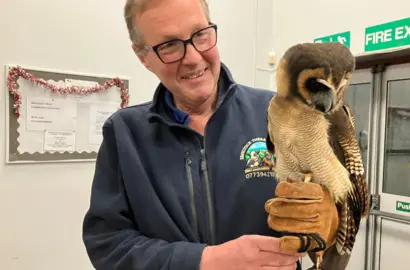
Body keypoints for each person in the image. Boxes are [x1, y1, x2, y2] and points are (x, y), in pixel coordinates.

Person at [82, 0, 339, 269]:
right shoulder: (125, 134)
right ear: (143, 57)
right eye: (169, 45)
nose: (193, 58)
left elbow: (333, 209)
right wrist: (205, 261)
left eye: (201, 34)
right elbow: (108, 244)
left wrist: (330, 225)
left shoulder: (281, 114)